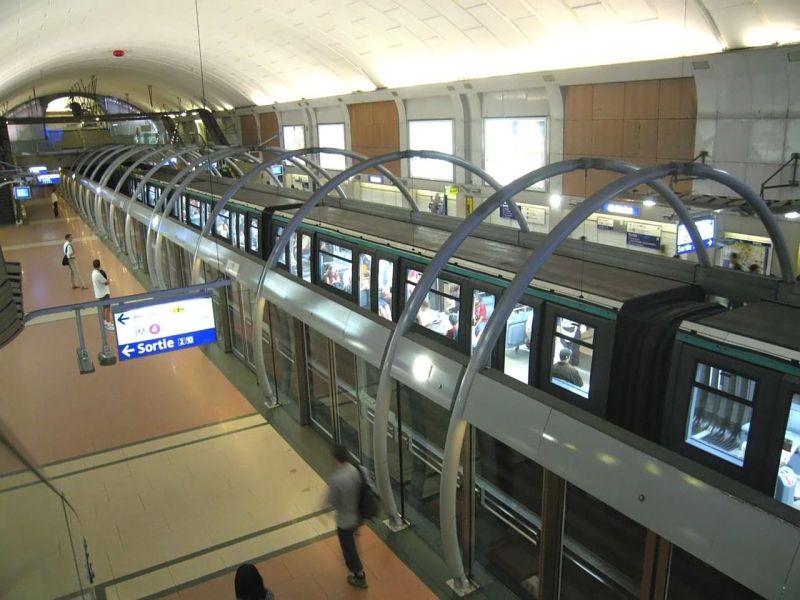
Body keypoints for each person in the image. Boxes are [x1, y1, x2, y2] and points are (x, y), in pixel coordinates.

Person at [326, 444, 368, 589]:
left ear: (335, 459)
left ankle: (359, 576)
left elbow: (332, 501)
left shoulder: (336, 479)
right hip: (358, 514)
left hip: (345, 520)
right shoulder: (359, 470)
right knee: (352, 542)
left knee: (349, 549)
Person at [92, 259, 114, 331]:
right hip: (104, 293)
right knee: (107, 308)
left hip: (99, 293)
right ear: (99, 265)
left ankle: (104, 321)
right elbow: (106, 282)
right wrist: (108, 280)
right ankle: (108, 323)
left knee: (104, 308)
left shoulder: (93, 273)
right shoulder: (98, 274)